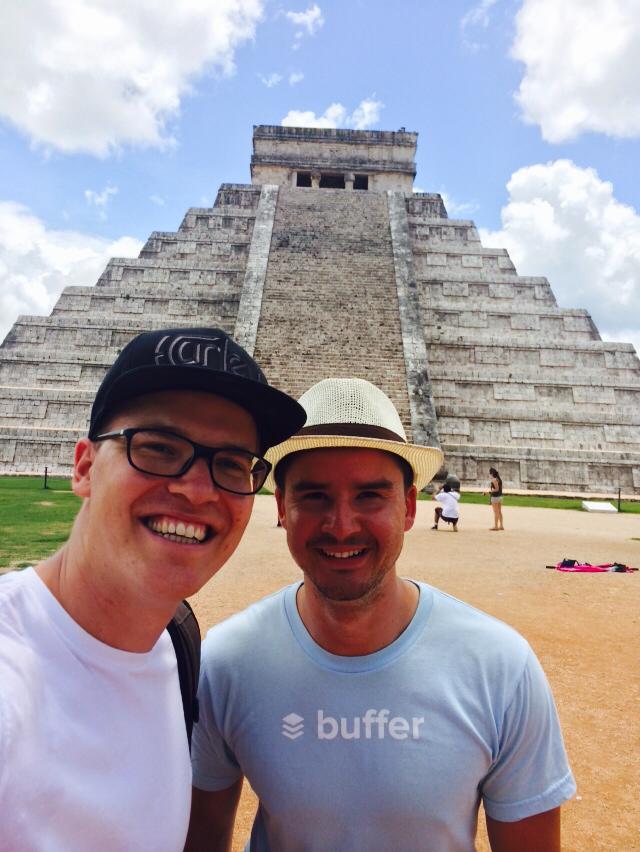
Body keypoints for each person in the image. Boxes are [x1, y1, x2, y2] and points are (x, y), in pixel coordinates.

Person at [187, 378, 576, 852]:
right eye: (313, 496)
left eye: (370, 495)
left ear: (409, 507)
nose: (342, 525)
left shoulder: (501, 667)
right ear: (282, 509)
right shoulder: (225, 663)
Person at [0, 327, 305, 851]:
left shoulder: (177, 640)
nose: (197, 488)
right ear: (85, 467)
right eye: (159, 448)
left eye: (232, 463)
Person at [489, 466, 505, 531]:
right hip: (500, 496)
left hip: (495, 497)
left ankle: (496, 526)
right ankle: (501, 525)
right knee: (499, 511)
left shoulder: (494, 479)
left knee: (496, 512)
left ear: (492, 474)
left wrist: (490, 491)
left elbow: (496, 489)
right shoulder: (499, 479)